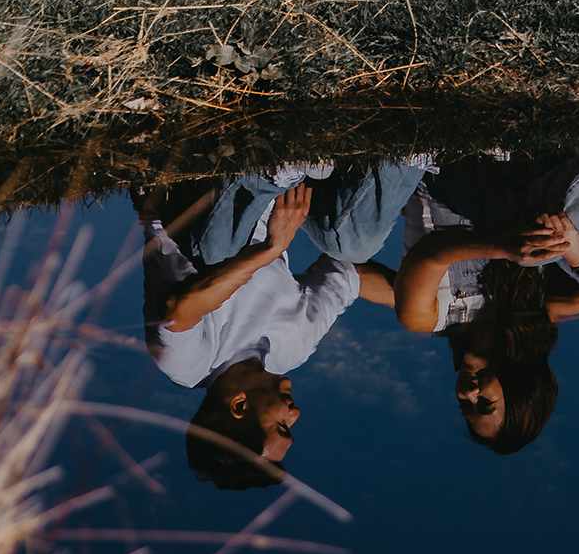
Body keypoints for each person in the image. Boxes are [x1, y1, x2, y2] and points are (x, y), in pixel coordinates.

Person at [136, 159, 428, 488]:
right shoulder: (292, 351)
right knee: (356, 245)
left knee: (215, 256)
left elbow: (183, 305)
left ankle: (268, 170)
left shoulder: (186, 365)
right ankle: (408, 157)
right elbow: (351, 277)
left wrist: (271, 249)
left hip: (192, 190)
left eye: (283, 426)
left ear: (240, 406)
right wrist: (422, 306)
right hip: (284, 192)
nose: (296, 414)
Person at [392, 146, 579, 454]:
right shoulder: (538, 312)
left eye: (465, 407)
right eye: (484, 403)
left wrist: (505, 249)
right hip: (521, 185)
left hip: (457, 177)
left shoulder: (428, 316)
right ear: (518, 387)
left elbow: (429, 256)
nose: (468, 394)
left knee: (535, 252)